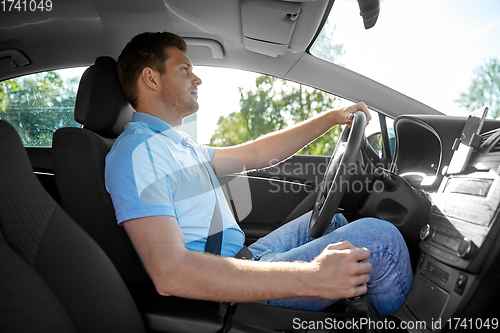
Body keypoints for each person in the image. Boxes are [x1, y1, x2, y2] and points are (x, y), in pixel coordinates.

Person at [105, 31, 413, 315]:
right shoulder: (137, 153)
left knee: (335, 221)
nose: (197, 79)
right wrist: (312, 277)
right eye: (184, 69)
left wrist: (331, 118)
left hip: (242, 257)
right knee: (380, 240)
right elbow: (171, 272)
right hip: (224, 289)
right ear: (151, 78)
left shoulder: (178, 146)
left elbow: (258, 154)